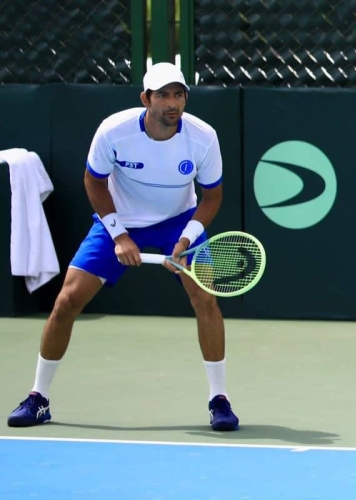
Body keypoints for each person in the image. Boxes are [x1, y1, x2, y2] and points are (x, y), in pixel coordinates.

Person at [7, 62, 239, 432]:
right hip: (119, 221)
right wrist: (118, 234)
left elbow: (212, 197)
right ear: (145, 98)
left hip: (178, 224)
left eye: (178, 94)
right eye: (162, 95)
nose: (172, 103)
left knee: (205, 299)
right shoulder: (114, 131)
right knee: (67, 300)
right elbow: (94, 182)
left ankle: (219, 400)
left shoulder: (203, 137)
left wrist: (184, 239)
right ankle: (38, 398)